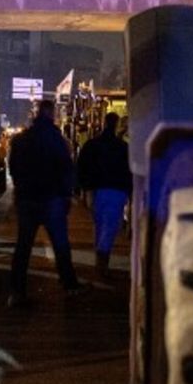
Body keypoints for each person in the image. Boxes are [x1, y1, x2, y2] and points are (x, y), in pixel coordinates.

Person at [7, 98, 82, 306]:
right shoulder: (57, 139)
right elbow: (66, 169)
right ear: (51, 114)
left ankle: (17, 291)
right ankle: (70, 285)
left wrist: (21, 188)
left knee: (23, 247)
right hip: (52, 199)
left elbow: (13, 167)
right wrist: (67, 195)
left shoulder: (22, 140)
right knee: (60, 245)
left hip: (28, 199)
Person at [76, 112, 133, 280]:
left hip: (96, 190)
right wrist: (130, 191)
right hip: (116, 190)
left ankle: (100, 263)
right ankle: (102, 262)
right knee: (110, 227)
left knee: (100, 224)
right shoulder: (123, 147)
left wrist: (84, 188)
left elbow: (81, 166)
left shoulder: (92, 145)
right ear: (116, 125)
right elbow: (130, 171)